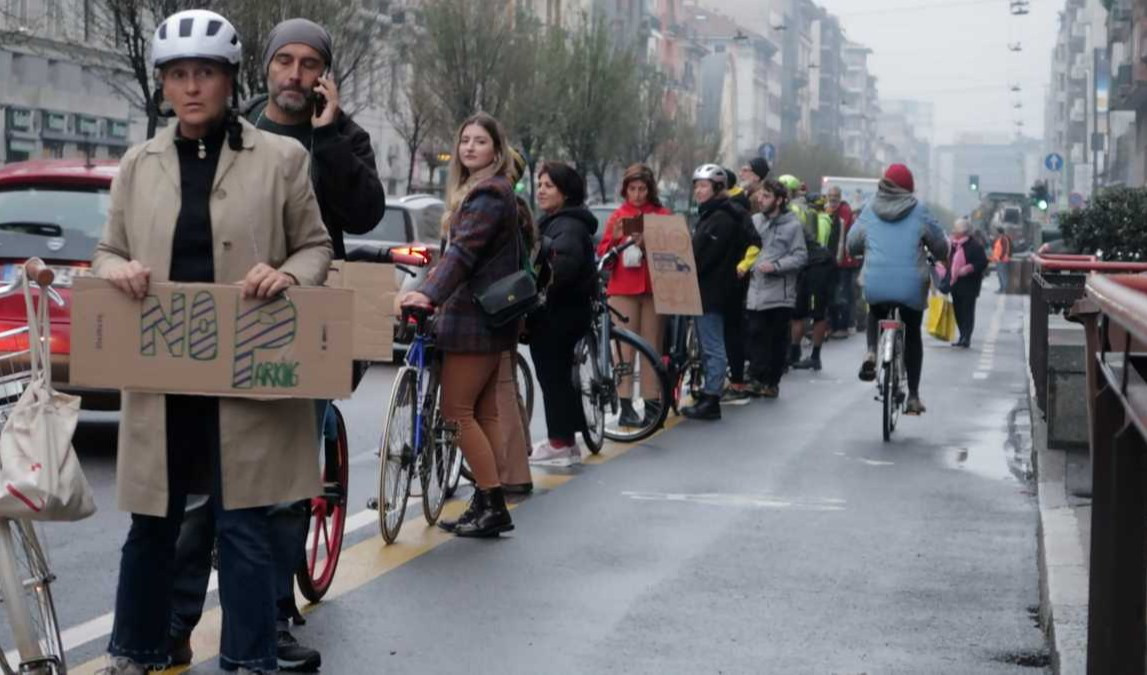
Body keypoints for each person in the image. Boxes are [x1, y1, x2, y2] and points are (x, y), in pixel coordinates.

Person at [95, 10, 334, 674]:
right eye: (178, 75)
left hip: (247, 370)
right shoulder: (138, 164)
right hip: (163, 371)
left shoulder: (281, 159)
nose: (192, 87)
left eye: (204, 73)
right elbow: (106, 251)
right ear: (163, 85)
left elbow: (315, 247)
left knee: (244, 524)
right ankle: (134, 647)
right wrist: (120, 270)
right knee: (153, 523)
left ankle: (250, 655)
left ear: (229, 81)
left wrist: (283, 273)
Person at [167, 17, 386, 671]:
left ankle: (266, 623)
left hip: (302, 333)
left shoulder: (346, 138)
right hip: (220, 327)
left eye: (308, 63)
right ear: (265, 68)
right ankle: (176, 620)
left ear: (324, 75)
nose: (295, 74)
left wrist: (330, 137)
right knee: (204, 490)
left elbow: (364, 213)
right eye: (284, 61)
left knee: (288, 490)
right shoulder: (226, 129)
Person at [401, 112, 521, 538]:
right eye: (465, 140)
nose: (470, 147)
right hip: (491, 318)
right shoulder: (491, 191)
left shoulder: (488, 194)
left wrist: (427, 294)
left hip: (474, 320)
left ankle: (492, 502)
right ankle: (489, 504)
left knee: (456, 414)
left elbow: (463, 256)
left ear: (496, 149)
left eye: (480, 141)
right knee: (483, 413)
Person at [847, 163, 949, 415]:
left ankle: (871, 351)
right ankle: (913, 396)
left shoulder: (869, 209)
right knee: (912, 330)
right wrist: (938, 253)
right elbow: (940, 246)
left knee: (875, 311)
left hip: (877, 281)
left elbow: (851, 243)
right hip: (911, 285)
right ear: (909, 188)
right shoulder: (919, 211)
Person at [528, 162, 597, 464]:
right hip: (563, 312)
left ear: (565, 192)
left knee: (553, 376)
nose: (541, 190)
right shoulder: (558, 221)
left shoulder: (567, 226)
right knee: (555, 376)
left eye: (548, 186)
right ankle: (565, 440)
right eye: (540, 184)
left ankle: (560, 442)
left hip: (559, 313)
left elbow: (562, 268)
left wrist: (538, 291)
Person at [596, 164, 671, 427]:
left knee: (652, 347)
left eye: (642, 189)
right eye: (632, 189)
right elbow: (603, 258)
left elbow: (672, 254)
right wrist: (615, 239)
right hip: (623, 289)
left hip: (652, 289)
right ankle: (625, 404)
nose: (638, 194)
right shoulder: (618, 216)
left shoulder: (662, 215)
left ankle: (652, 403)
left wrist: (649, 242)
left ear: (650, 190)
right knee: (623, 351)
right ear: (625, 190)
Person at [680, 164, 751, 420]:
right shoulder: (714, 214)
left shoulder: (721, 218)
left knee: (712, 347)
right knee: (710, 344)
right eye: (697, 186)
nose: (699, 191)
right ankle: (709, 393)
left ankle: (711, 399)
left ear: (718, 188)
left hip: (714, 291)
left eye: (704, 186)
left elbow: (703, 258)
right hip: (714, 289)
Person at [745, 180, 807, 398]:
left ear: (779, 200)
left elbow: (800, 256)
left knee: (776, 339)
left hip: (780, 293)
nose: (760, 200)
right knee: (755, 334)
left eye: (767, 196)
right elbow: (747, 250)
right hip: (755, 290)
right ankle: (756, 377)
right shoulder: (754, 221)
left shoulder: (793, 225)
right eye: (760, 196)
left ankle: (772, 381)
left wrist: (776, 266)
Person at [723, 167, 762, 400]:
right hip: (728, 277)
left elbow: (754, 243)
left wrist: (742, 266)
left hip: (733, 279)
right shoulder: (727, 206)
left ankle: (736, 379)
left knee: (732, 329)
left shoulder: (736, 208)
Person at [791, 195, 840, 372]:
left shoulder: (793, 220)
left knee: (816, 312)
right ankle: (795, 353)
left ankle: (814, 356)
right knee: (798, 312)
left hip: (818, 266)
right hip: (811, 264)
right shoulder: (795, 216)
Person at [948, 218, 989, 348]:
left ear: (963, 232)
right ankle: (962, 335)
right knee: (958, 311)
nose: (953, 232)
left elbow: (982, 262)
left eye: (956, 229)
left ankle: (966, 337)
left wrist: (969, 268)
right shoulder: (952, 245)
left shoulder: (975, 246)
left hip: (969, 285)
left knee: (967, 312)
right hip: (956, 284)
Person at [826, 185, 860, 337]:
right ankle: (833, 325)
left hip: (844, 262)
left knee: (843, 294)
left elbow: (842, 232)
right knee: (833, 293)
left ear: (839, 197)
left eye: (835, 196)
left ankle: (843, 326)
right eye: (830, 196)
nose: (832, 199)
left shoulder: (844, 211)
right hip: (833, 260)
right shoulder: (830, 211)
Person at [991, 226, 1013, 293]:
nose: (995, 233)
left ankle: (1004, 289)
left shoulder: (1004, 239)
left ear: (998, 232)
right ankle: (1001, 288)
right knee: (1000, 275)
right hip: (998, 260)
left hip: (1002, 260)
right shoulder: (999, 238)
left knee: (1003, 275)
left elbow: (1004, 249)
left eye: (996, 232)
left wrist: (1000, 257)